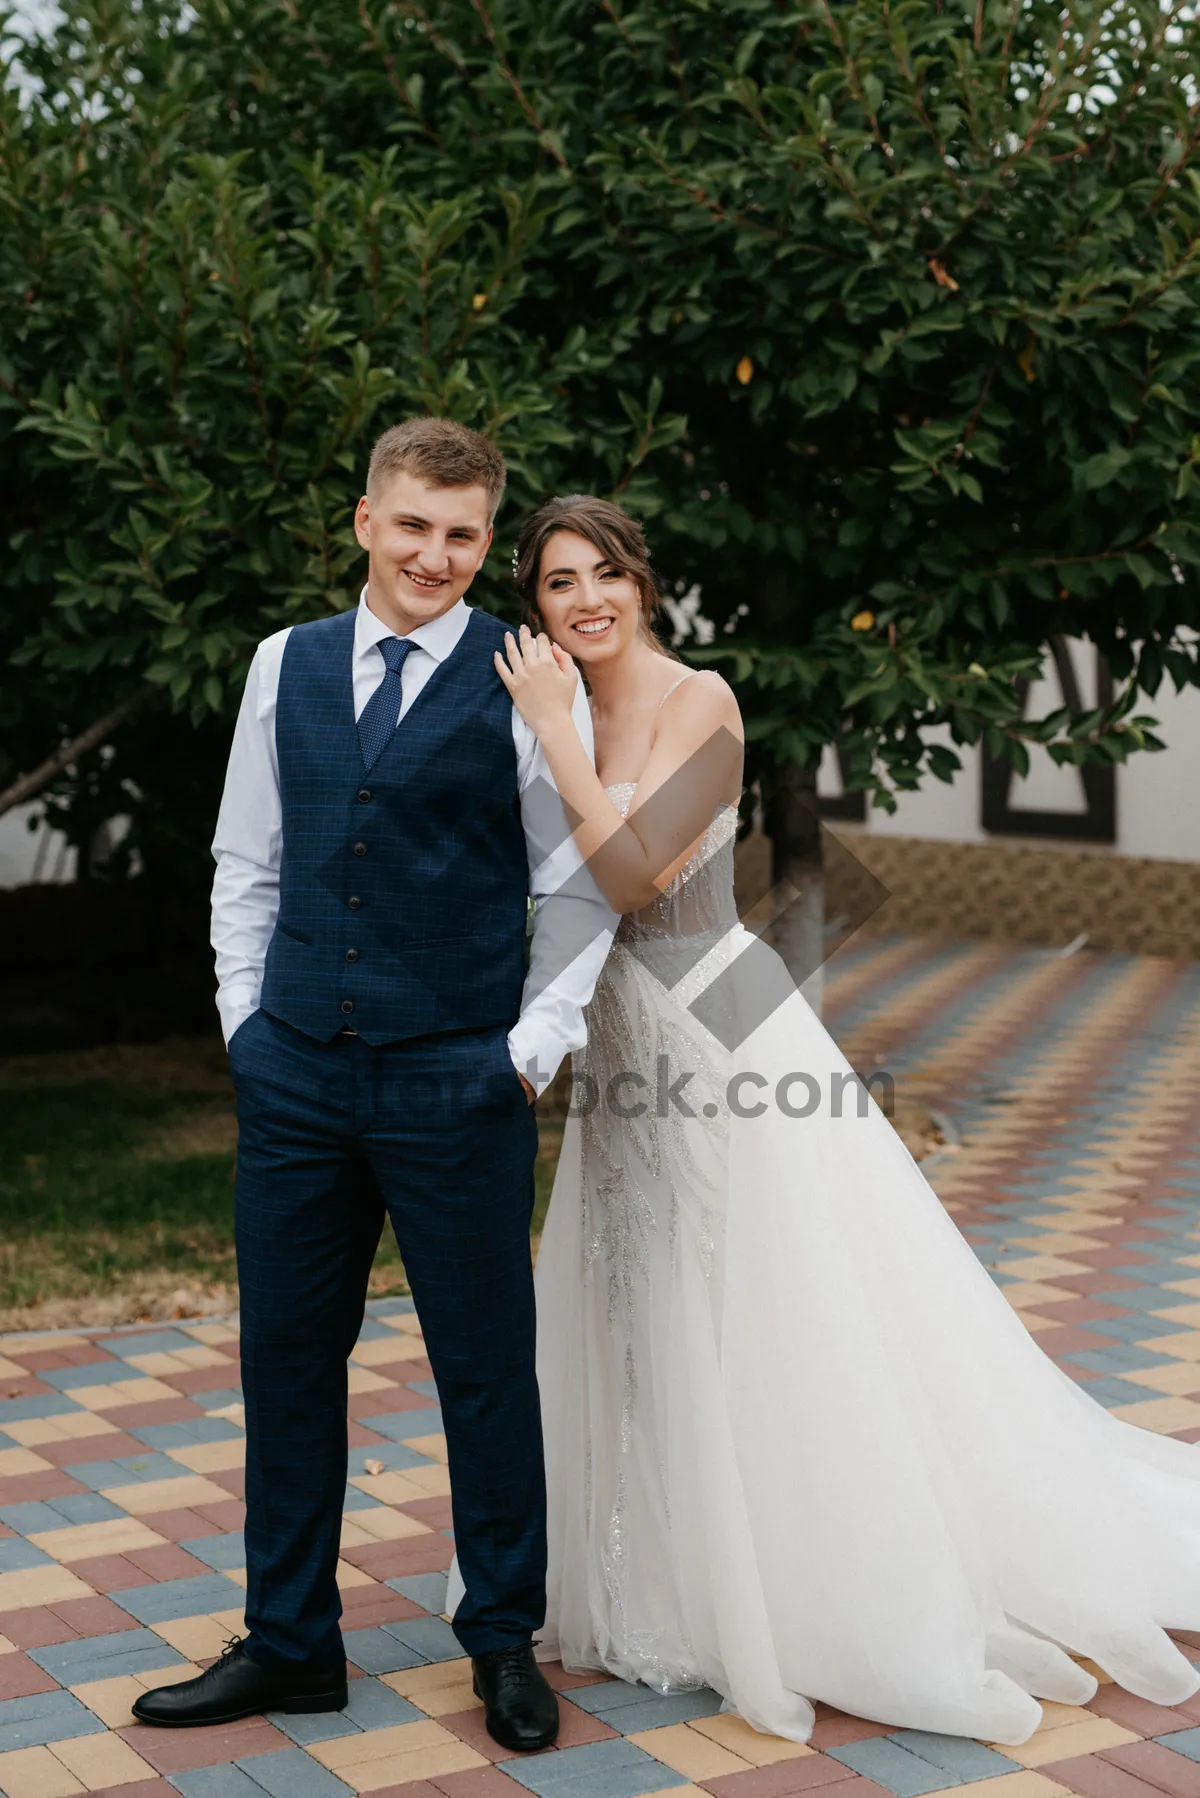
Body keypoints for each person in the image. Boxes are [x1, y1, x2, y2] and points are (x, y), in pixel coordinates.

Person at [492, 492, 1200, 1747]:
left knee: (756, 1298)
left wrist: (551, 731)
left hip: (719, 1032)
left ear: (643, 582)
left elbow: (641, 875)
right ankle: (652, 1568)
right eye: (557, 583)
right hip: (615, 1051)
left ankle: (801, 1572)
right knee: (632, 1295)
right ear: (535, 604)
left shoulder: (698, 699)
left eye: (603, 573)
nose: (584, 599)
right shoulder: (557, 710)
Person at [132, 424, 616, 1750]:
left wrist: (523, 1053)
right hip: (294, 1071)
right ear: (365, 520)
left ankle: (504, 1640)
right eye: (414, 526)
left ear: (483, 540)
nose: (435, 557)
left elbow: (575, 890)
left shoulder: (528, 676)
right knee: (286, 1364)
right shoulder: (281, 663)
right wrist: (246, 1023)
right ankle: (291, 1641)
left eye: (462, 535)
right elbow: (247, 857)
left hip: (454, 1077)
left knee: (482, 1373)